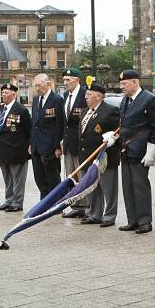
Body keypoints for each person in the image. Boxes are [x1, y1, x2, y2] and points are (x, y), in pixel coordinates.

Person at [107, 70, 155, 234]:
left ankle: (145, 221)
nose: (121, 87)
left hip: (141, 150)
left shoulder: (149, 99)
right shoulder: (126, 100)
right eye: (121, 84)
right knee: (128, 186)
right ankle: (133, 220)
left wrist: (152, 152)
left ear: (135, 82)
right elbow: (125, 124)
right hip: (126, 150)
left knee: (140, 187)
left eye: (124, 84)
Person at [79, 81, 120, 226]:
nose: (86, 97)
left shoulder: (110, 110)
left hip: (104, 157)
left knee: (108, 188)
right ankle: (94, 214)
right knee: (92, 187)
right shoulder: (85, 111)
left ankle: (109, 215)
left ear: (99, 96)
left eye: (89, 94)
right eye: (86, 94)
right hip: (87, 157)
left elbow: (117, 132)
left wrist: (112, 137)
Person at [0, 83, 31, 212]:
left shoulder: (21, 110)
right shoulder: (0, 109)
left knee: (18, 178)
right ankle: (9, 200)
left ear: (14, 94)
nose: (3, 95)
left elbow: (28, 130)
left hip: (17, 150)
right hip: (3, 149)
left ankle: (17, 202)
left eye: (6, 92)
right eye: (2, 92)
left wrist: (28, 147)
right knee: (7, 177)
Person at [31, 73, 65, 199]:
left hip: (50, 146)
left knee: (52, 177)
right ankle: (44, 202)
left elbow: (59, 124)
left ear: (48, 84)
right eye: (35, 86)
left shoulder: (56, 99)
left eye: (39, 85)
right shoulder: (36, 100)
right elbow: (34, 124)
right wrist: (31, 143)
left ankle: (56, 203)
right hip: (36, 145)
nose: (37, 88)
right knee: (39, 177)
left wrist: (57, 146)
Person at [61, 68, 89, 218]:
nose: (65, 83)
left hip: (80, 142)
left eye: (68, 80)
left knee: (83, 174)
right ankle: (76, 205)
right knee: (72, 176)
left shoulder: (85, 94)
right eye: (64, 80)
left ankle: (87, 206)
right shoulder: (66, 95)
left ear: (77, 79)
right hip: (68, 143)